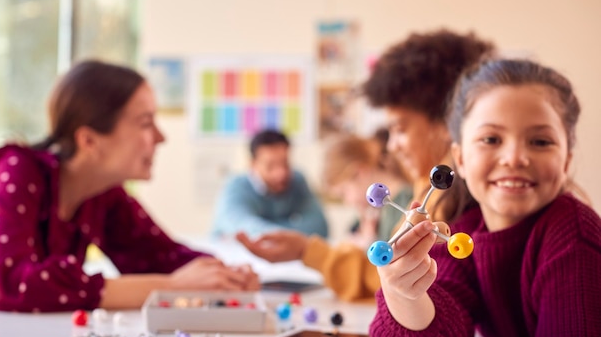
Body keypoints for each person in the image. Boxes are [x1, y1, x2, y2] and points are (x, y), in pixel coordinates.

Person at [369, 58, 601, 337]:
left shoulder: (572, 237)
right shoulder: (466, 232)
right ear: (459, 159)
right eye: (491, 139)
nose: (514, 158)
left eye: (540, 142)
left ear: (566, 159)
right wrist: (403, 292)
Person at [0, 60, 259, 313]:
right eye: (145, 123)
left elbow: (158, 256)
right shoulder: (17, 171)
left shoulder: (104, 194)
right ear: (89, 141)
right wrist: (170, 285)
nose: (161, 137)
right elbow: (8, 286)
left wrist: (224, 274)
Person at [236, 29, 495, 301]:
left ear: (445, 122)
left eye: (400, 129)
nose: (392, 145)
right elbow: (384, 270)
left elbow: (387, 281)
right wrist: (305, 250)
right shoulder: (429, 186)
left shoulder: (452, 198)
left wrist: (308, 251)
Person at [210, 129, 328, 238]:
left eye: (285, 163)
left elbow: (319, 227)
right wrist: (294, 232)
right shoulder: (236, 186)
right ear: (252, 164)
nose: (280, 173)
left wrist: (266, 230)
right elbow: (241, 229)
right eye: (270, 166)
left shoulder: (297, 180)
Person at [322, 129, 411, 248]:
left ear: (360, 173)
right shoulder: (380, 210)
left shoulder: (402, 206)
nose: (348, 202)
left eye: (344, 193)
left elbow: (389, 261)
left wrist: (368, 243)